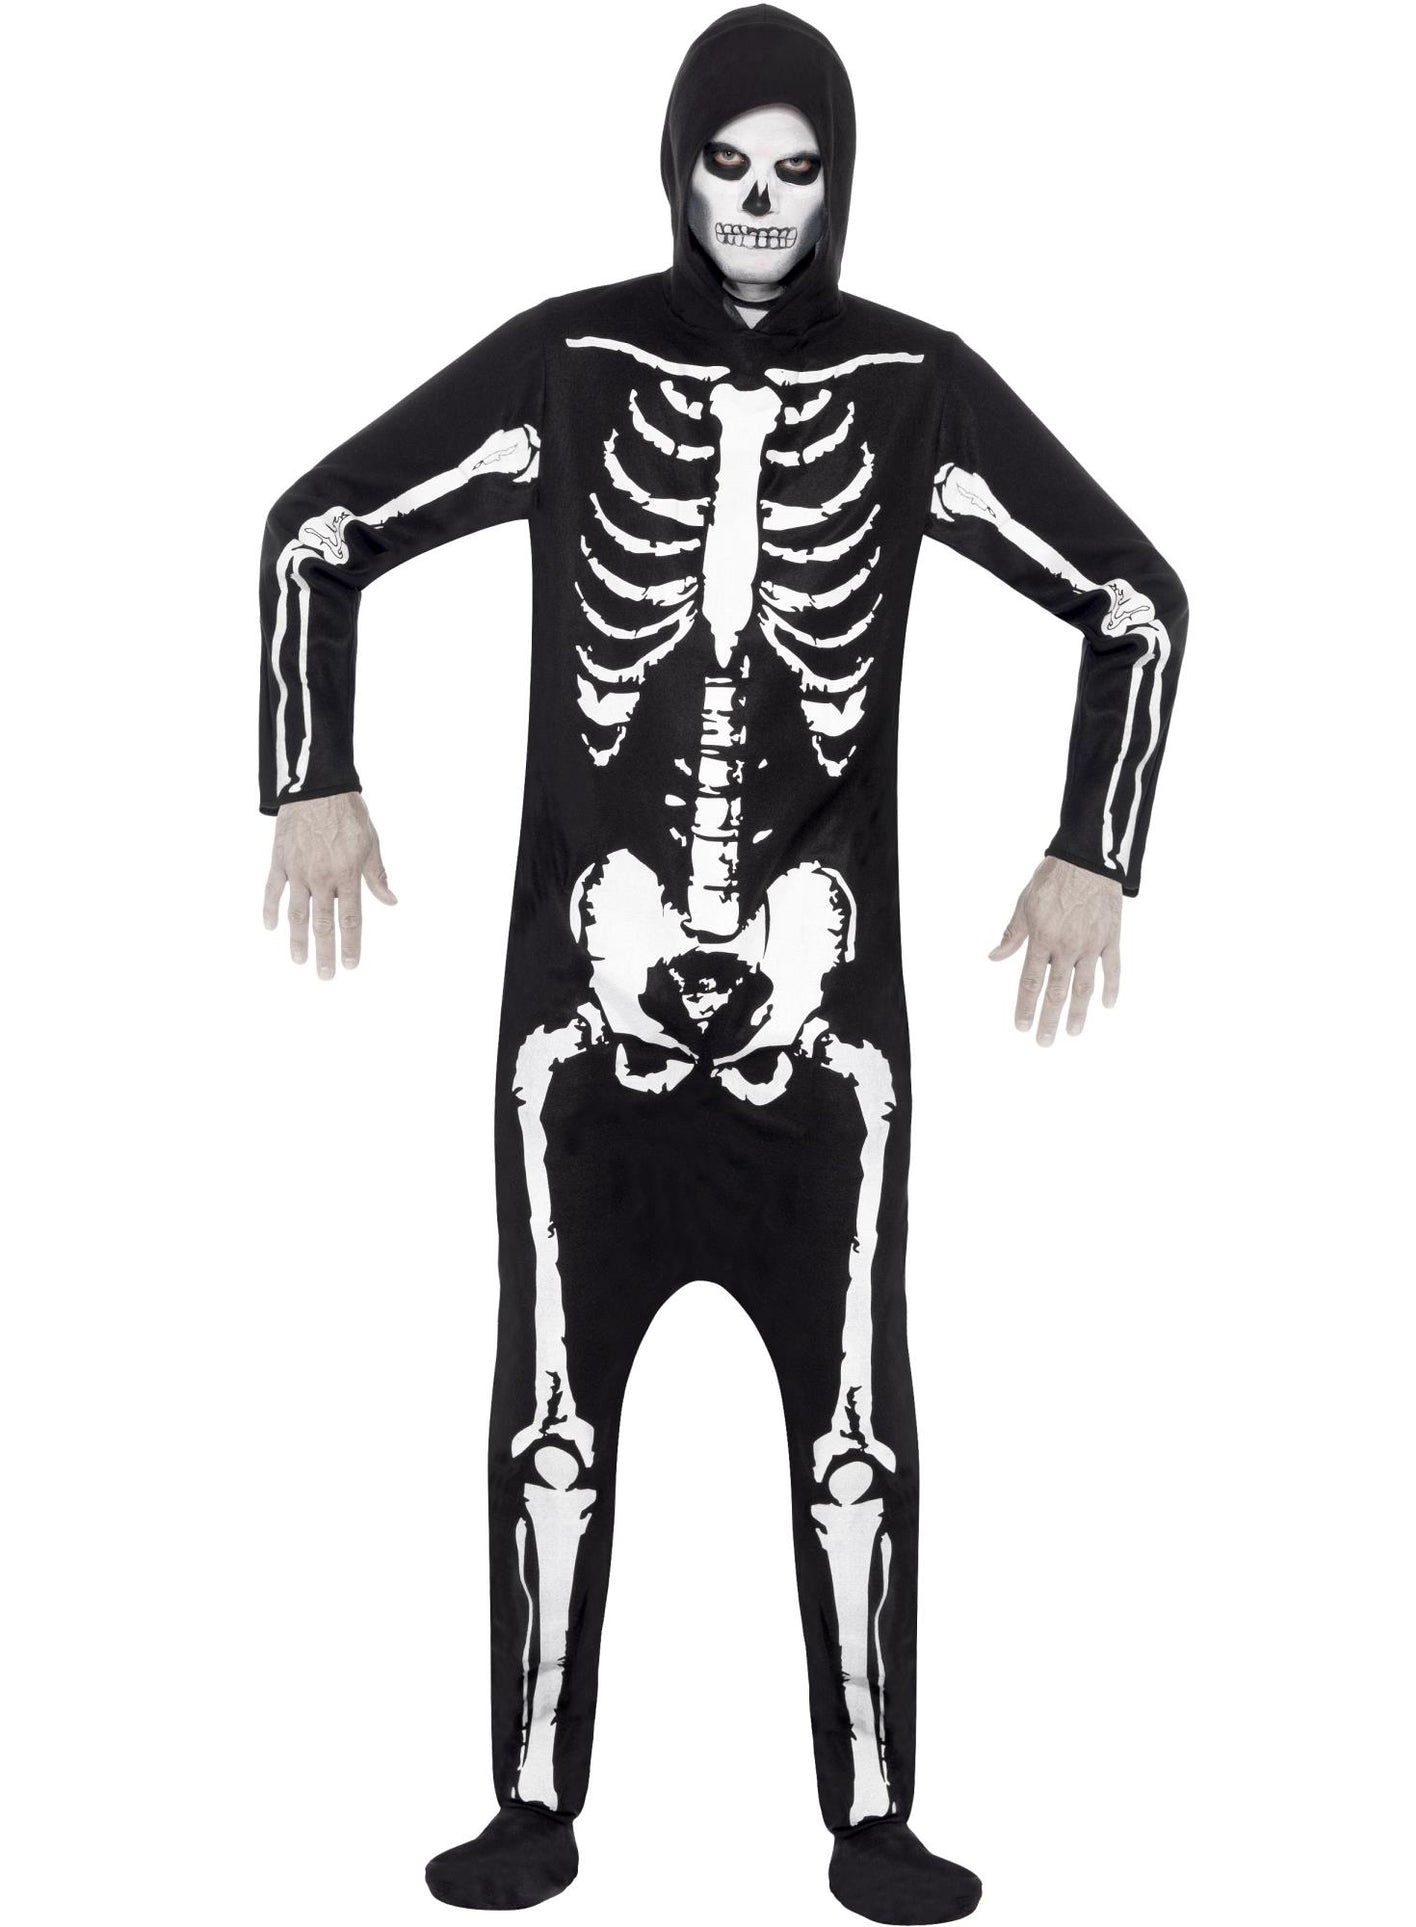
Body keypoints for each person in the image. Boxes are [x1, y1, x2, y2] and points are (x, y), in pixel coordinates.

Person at [256, 7, 1187, 1919]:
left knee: (859, 1419)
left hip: (821, 1016)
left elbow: (1135, 602)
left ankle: (873, 1818)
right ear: (678, 170)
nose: (759, 203)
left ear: (837, 185)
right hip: (578, 1009)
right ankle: (533, 1803)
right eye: (727, 165)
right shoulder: (576, 363)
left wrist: (1095, 845)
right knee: (548, 1403)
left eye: (796, 170)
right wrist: (310, 770)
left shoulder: (910, 388)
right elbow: (314, 531)